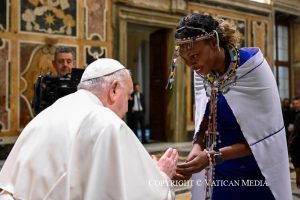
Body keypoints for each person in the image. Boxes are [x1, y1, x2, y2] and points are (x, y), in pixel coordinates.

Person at [0, 58, 178, 200]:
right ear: (114, 89)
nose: (128, 105)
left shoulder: (50, 112)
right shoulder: (108, 124)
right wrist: (161, 176)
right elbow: (138, 194)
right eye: (129, 95)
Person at [171, 14, 292, 199]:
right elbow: (205, 116)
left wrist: (211, 157)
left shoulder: (252, 68)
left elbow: (267, 138)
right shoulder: (202, 71)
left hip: (255, 172)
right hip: (218, 172)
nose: (191, 65)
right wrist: (197, 146)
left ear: (213, 42)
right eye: (185, 60)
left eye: (195, 56)